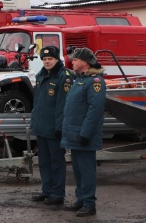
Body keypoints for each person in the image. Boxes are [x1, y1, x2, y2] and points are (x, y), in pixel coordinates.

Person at [61, 47, 106, 217]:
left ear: (84, 62)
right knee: (78, 170)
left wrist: (85, 133)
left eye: (75, 59)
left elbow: (95, 110)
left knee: (86, 170)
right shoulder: (79, 80)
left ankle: (89, 203)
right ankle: (80, 199)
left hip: (84, 135)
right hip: (75, 133)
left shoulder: (95, 82)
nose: (72, 61)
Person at [31, 45, 73, 206]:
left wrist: (59, 127)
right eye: (45, 59)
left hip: (54, 129)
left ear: (57, 60)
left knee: (56, 162)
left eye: (50, 59)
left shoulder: (64, 77)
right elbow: (37, 102)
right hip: (42, 127)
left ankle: (58, 193)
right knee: (44, 162)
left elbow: (63, 105)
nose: (47, 61)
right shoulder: (41, 76)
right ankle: (47, 190)